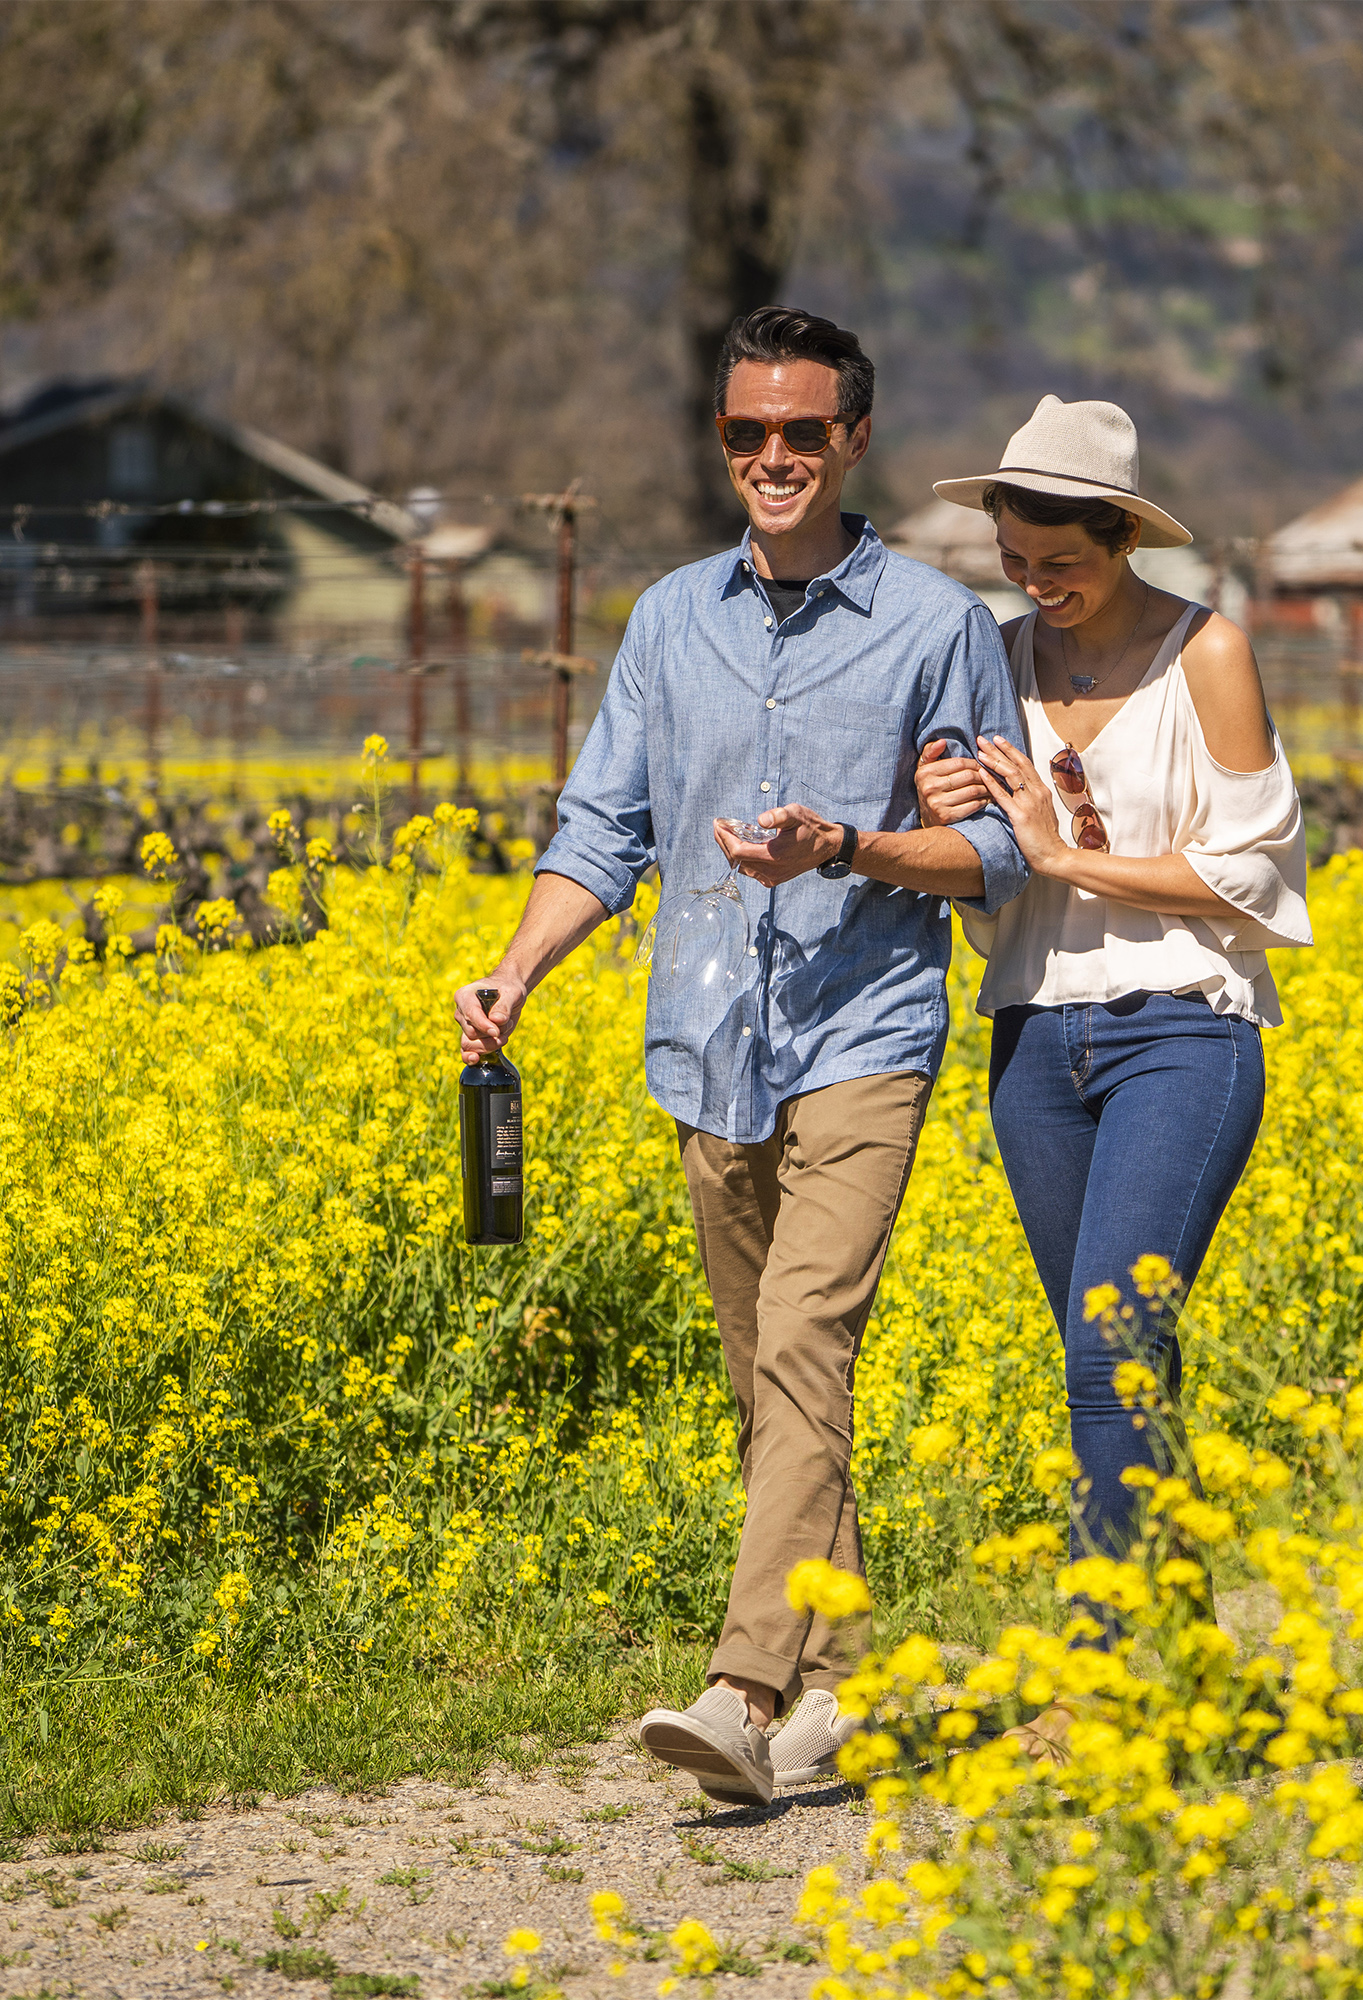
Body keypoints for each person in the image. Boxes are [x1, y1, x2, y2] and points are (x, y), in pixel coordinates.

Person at [450, 307, 1029, 1807]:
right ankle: (839, 1686)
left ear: (855, 442)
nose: (771, 458)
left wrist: (847, 848)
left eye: (801, 434)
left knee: (802, 1347)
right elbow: (603, 828)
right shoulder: (667, 620)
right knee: (769, 1388)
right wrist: (519, 970)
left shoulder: (937, 627)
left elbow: (993, 851)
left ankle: (739, 1692)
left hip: (864, 1038)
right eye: (744, 434)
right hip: (710, 1042)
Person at [913, 395, 1312, 1733]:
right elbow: (988, 888)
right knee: (1110, 1366)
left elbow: (1251, 874)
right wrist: (954, 831)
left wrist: (1062, 851)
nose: (1039, 586)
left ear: (1121, 533)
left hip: (1182, 1029)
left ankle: (1092, 1650)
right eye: (1016, 562)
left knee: (1114, 1339)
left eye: (1062, 561)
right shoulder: (994, 660)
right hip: (1032, 1039)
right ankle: (1199, 1671)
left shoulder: (1209, 655)